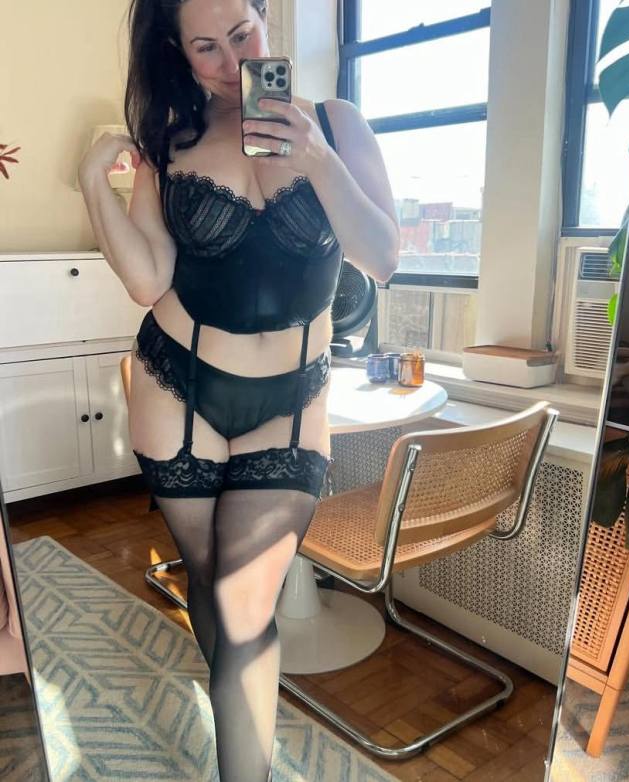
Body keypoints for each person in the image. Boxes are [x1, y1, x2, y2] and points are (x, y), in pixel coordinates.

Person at [78, 0, 399, 779]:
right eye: (206, 47)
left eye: (242, 34)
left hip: (291, 405)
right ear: (177, 52)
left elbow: (382, 257)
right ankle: (235, 716)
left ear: (265, 16)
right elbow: (148, 279)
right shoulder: (172, 139)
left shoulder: (338, 123)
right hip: (178, 388)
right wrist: (94, 182)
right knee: (209, 581)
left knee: (246, 604)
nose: (231, 62)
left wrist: (317, 158)